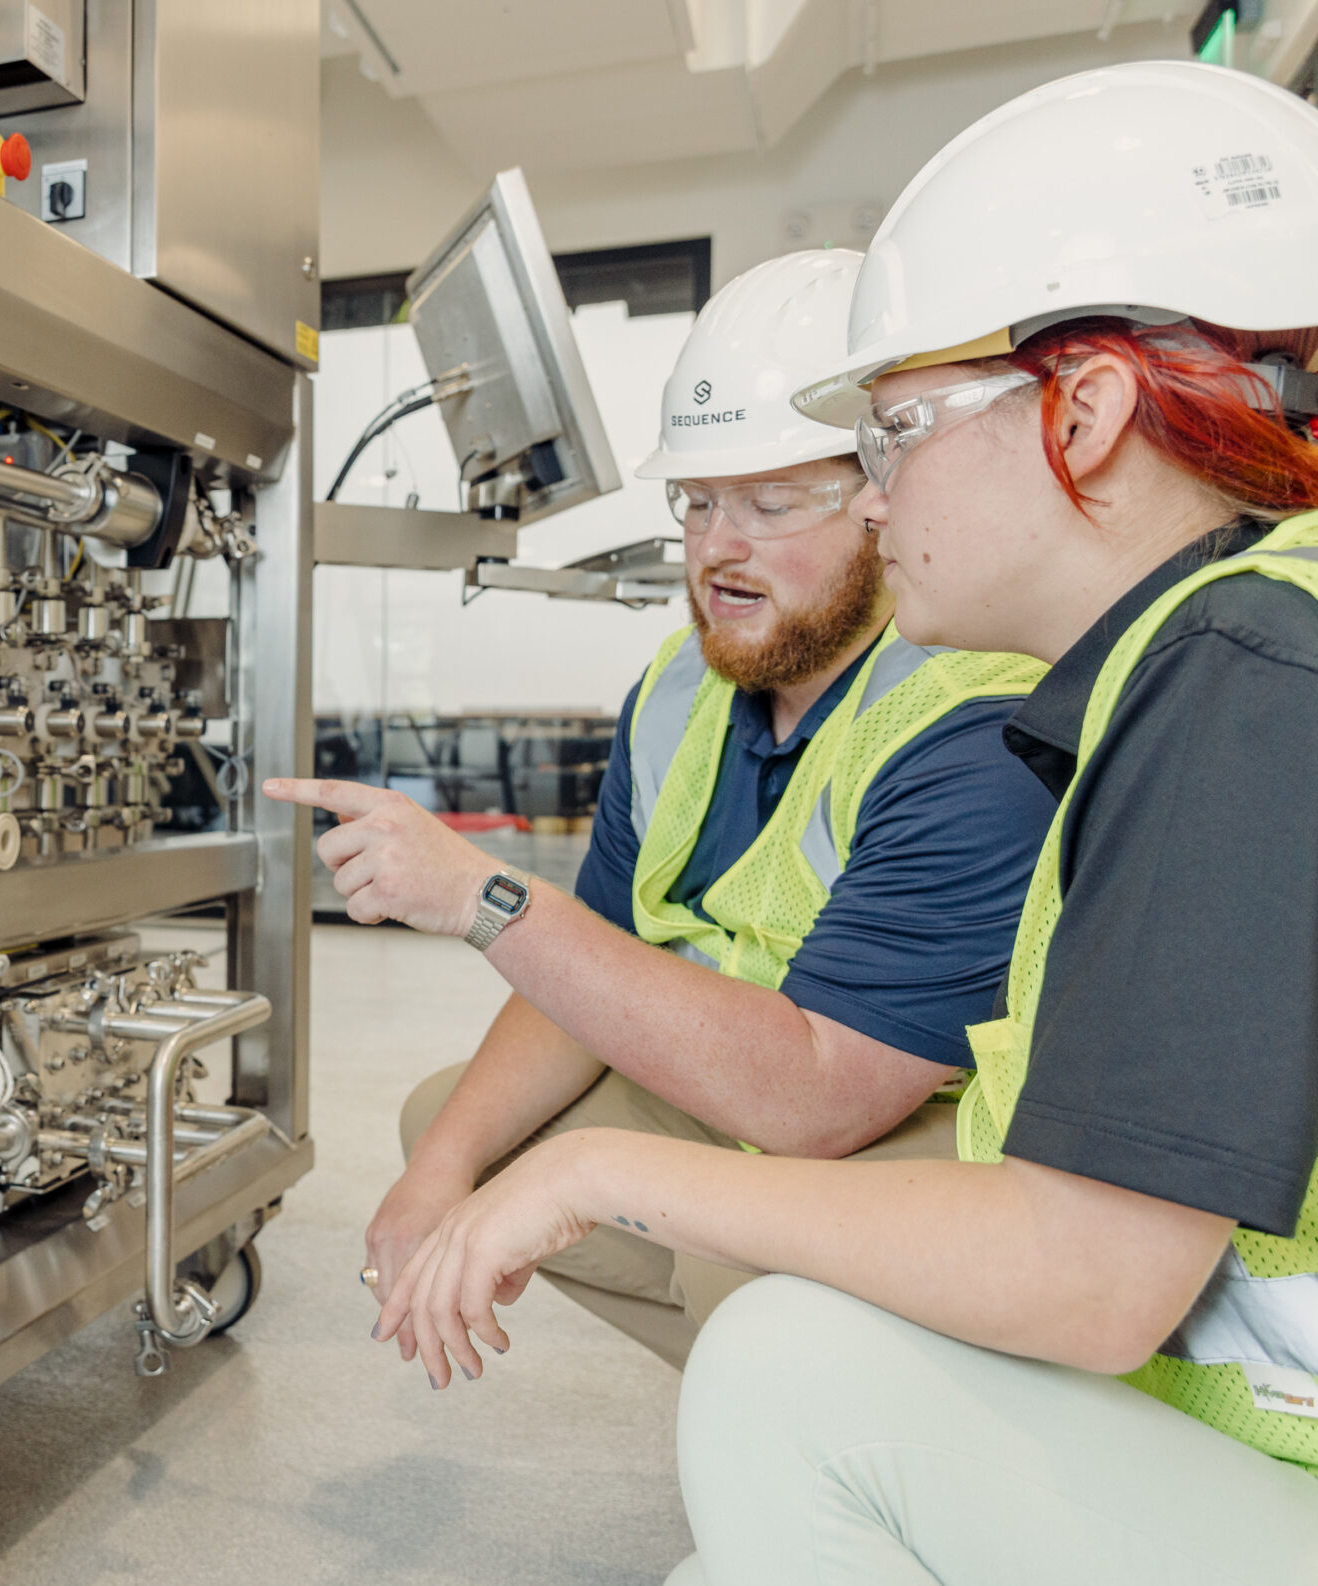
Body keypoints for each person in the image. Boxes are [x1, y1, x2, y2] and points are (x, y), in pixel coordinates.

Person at [359, 60, 1318, 1586]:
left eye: (889, 439)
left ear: (1080, 412)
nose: (878, 500)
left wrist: (597, 1168)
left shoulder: (1248, 669)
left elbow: (1095, 1278)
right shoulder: (1198, 648)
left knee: (791, 1367)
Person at [277, 250, 1058, 1366]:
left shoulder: (967, 716)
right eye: (695, 503)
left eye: (770, 502)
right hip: (761, 1083)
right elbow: (589, 966)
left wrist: (482, 899)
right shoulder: (679, 693)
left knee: (738, 1262)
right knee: (452, 1133)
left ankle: (859, 1421)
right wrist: (437, 1179)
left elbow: (817, 1102)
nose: (714, 549)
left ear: (887, 496)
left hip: (927, 1116)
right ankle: (770, 1385)